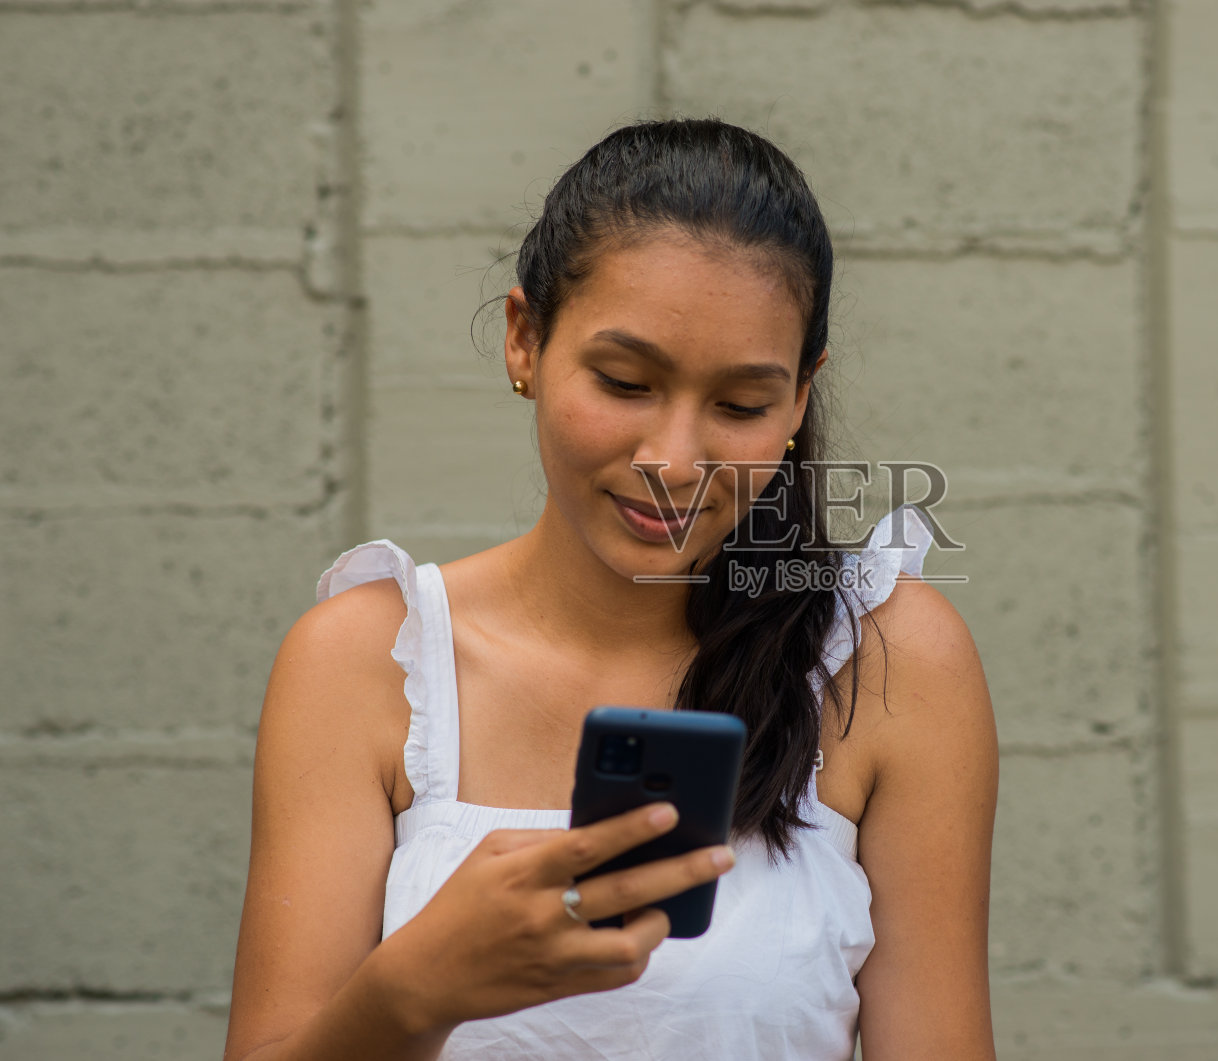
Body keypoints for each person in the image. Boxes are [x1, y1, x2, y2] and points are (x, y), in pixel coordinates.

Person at [223, 118, 999, 1061]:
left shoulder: (887, 658)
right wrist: (412, 988)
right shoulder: (367, 660)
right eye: (625, 381)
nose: (675, 460)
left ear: (800, 398)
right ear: (525, 340)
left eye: (743, 405)